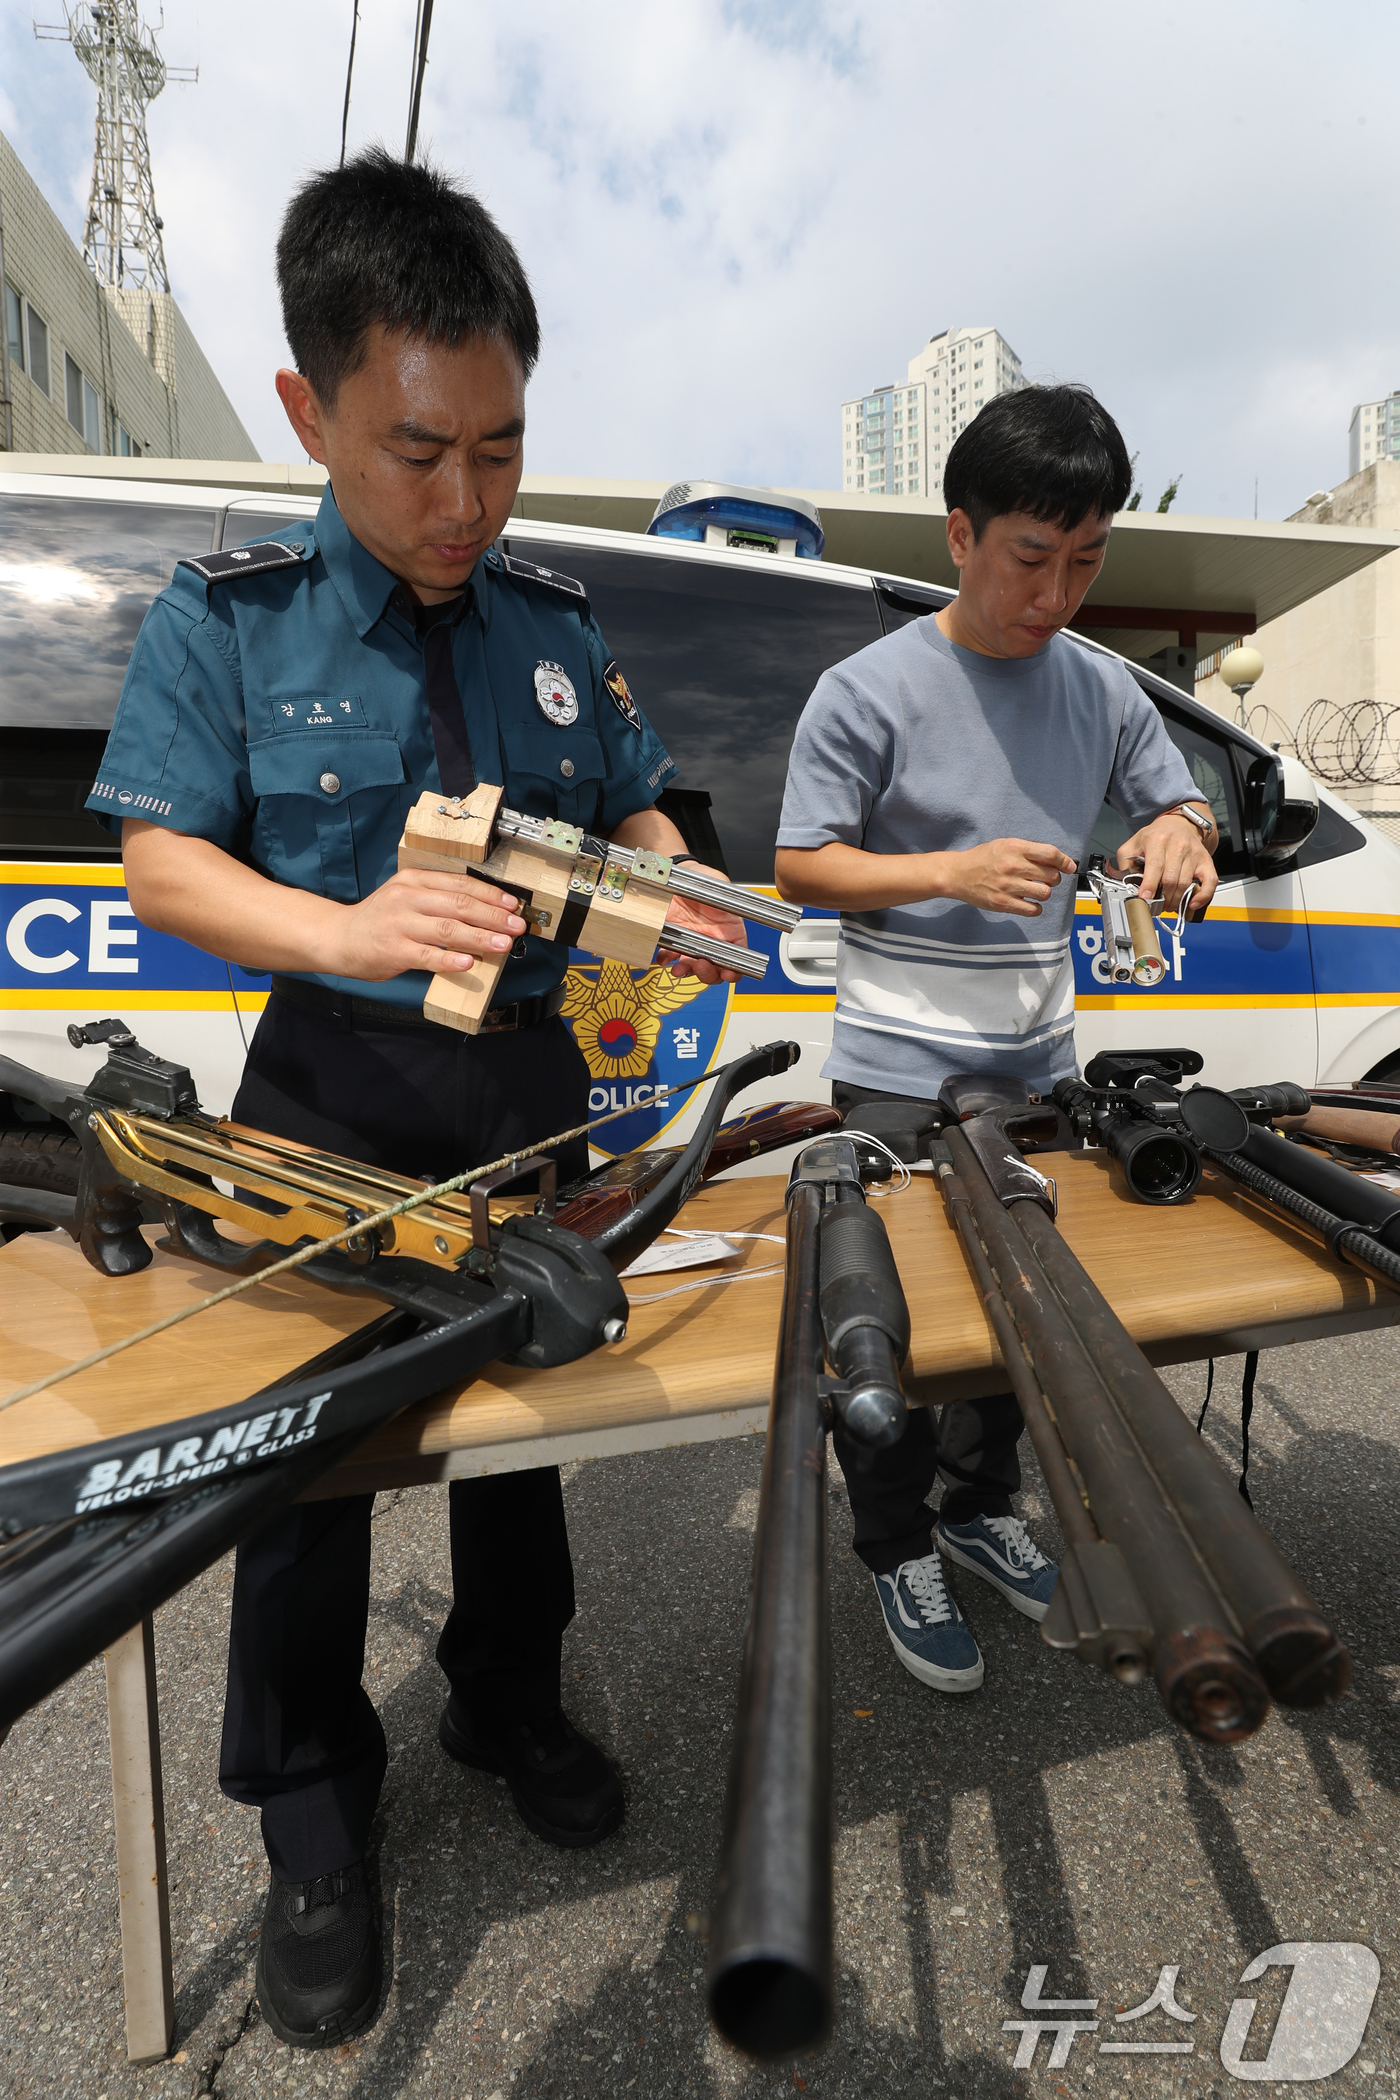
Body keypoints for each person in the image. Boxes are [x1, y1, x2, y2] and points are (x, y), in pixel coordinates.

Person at [87, 147, 743, 2050]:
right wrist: (350, 924)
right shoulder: (230, 618)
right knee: (304, 1466)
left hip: (531, 1088)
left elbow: (641, 787)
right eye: (415, 450)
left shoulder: (550, 619)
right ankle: (311, 1809)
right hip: (326, 1101)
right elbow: (159, 865)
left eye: (503, 450)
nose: (463, 500)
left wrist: (658, 881)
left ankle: (508, 1692)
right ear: (308, 407)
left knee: (524, 1429)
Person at [774, 385, 1217, 1697]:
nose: (1057, 593)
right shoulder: (870, 688)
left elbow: (1174, 799)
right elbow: (801, 864)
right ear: (962, 536)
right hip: (902, 1072)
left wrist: (1181, 835)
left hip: (1043, 1069)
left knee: (1026, 1316)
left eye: (1087, 561)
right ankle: (897, 1541)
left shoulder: (1102, 689)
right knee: (898, 1329)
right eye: (1033, 557)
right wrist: (950, 871)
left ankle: (979, 1507)